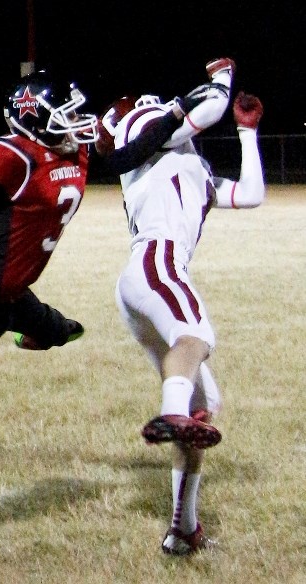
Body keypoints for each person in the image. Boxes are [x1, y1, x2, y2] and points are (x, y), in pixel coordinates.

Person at [0, 69, 211, 565]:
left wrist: (177, 113)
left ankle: (26, 333)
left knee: (64, 331)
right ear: (35, 121)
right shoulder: (12, 158)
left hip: (14, 299)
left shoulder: (77, 153)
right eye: (66, 118)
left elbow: (128, 154)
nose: (78, 126)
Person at [95, 58, 265, 555]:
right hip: (158, 262)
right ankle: (170, 412)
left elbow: (251, 194)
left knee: (204, 409)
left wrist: (248, 134)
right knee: (196, 339)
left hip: (145, 277)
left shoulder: (184, 162)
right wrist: (222, 78)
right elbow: (207, 106)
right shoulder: (149, 132)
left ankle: (182, 529)